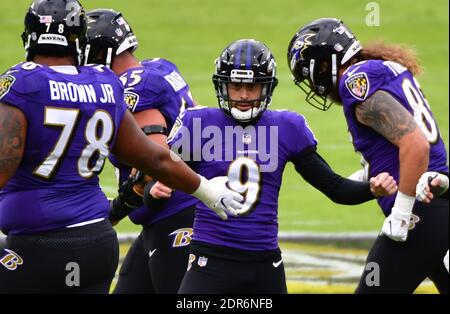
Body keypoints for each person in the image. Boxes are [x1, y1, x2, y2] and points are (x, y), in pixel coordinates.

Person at [0, 0, 242, 294]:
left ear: (30, 38)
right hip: (97, 245)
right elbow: (155, 159)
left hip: (38, 244)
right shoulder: (105, 83)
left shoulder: (23, 82)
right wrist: (207, 190)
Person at [162, 38, 397, 294]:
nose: (243, 95)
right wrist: (160, 188)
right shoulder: (199, 123)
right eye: (236, 85)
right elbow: (162, 169)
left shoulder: (287, 127)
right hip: (209, 260)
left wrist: (371, 189)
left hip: (265, 263)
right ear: (223, 84)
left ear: (267, 87)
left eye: (252, 86)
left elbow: (335, 188)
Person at [287, 18, 449, 293]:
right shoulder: (381, 69)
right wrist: (370, 172)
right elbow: (397, 144)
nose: (313, 86)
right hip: (437, 203)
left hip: (421, 211)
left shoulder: (354, 81)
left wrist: (401, 213)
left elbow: (416, 145)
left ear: (324, 65)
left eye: (309, 75)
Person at [83, 8, 197, 293]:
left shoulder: (134, 86)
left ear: (99, 54)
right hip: (166, 214)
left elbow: (154, 163)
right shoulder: (160, 67)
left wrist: (115, 211)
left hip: (175, 212)